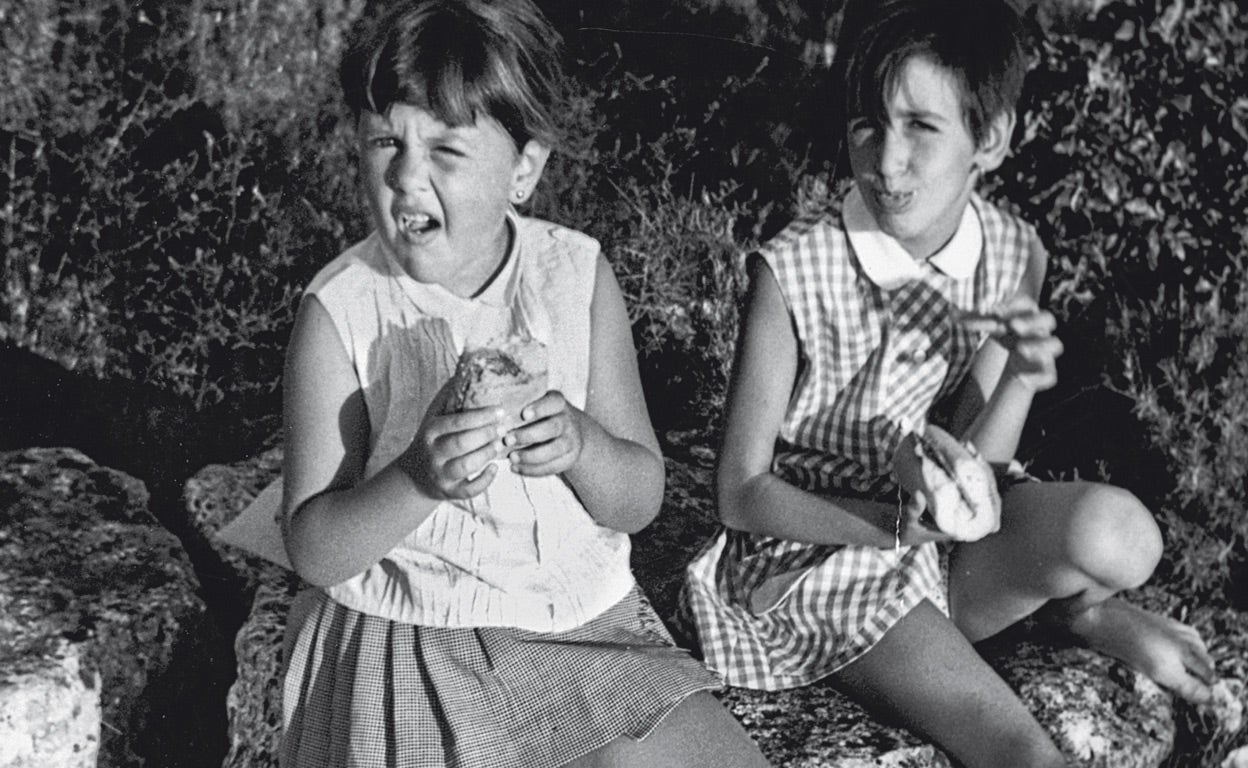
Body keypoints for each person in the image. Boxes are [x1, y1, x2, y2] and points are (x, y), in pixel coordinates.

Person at [682, 1, 1217, 766]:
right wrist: (892, 526)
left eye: (921, 128)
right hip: (829, 547)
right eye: (867, 123)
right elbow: (740, 491)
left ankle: (1080, 616)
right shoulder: (795, 271)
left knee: (1123, 536)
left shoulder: (1012, 252)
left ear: (990, 140)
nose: (886, 160)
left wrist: (1021, 382)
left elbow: (982, 470)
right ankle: (1068, 616)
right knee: (1020, 750)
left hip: (940, 540)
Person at [275, 1, 770, 766]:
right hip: (411, 626)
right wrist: (416, 479)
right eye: (385, 141)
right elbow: (312, 546)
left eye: (445, 149)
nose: (407, 175)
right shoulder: (340, 311)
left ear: (524, 171)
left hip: (572, 623)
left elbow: (639, 498)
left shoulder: (574, 279)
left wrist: (579, 443)